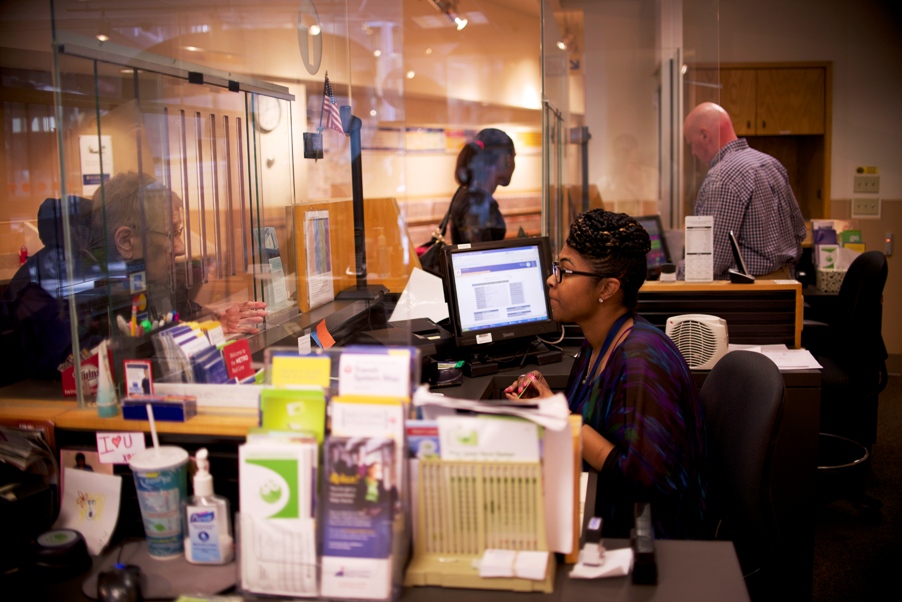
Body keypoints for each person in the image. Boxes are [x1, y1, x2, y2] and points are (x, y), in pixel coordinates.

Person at [503, 209, 707, 539]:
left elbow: (644, 478)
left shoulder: (642, 362)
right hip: (601, 503)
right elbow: (586, 426)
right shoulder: (596, 343)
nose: (552, 279)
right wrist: (549, 404)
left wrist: (559, 416)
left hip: (646, 541)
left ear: (608, 288)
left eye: (565, 271)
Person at [87, 171, 267, 335]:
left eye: (178, 232)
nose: (180, 248)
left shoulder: (156, 280)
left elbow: (180, 312)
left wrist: (211, 318)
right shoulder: (97, 306)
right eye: (169, 234)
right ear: (126, 241)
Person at [684, 102, 807, 279]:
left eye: (691, 144)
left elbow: (711, 261)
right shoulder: (772, 164)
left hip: (748, 295)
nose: (693, 152)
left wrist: (669, 278)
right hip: (785, 284)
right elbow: (799, 232)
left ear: (704, 135)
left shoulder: (723, 177)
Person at [448, 128, 515, 244]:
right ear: (505, 160)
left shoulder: (467, 194)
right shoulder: (476, 203)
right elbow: (482, 256)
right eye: (513, 157)